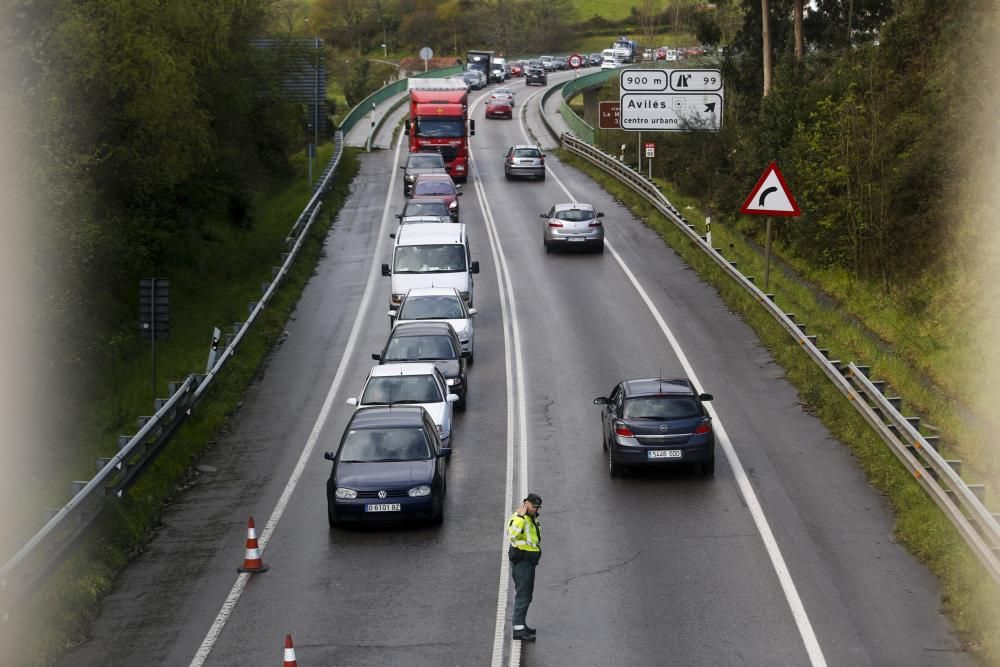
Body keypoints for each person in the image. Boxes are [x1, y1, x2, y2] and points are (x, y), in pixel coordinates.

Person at [508, 493, 542, 641]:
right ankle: (518, 630)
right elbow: (512, 534)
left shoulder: (531, 518)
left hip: (529, 562)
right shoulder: (518, 518)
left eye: (537, 507)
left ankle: (522, 625)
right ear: (525, 504)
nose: (535, 509)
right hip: (522, 562)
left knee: (527, 595)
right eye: (533, 506)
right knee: (523, 595)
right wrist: (521, 517)